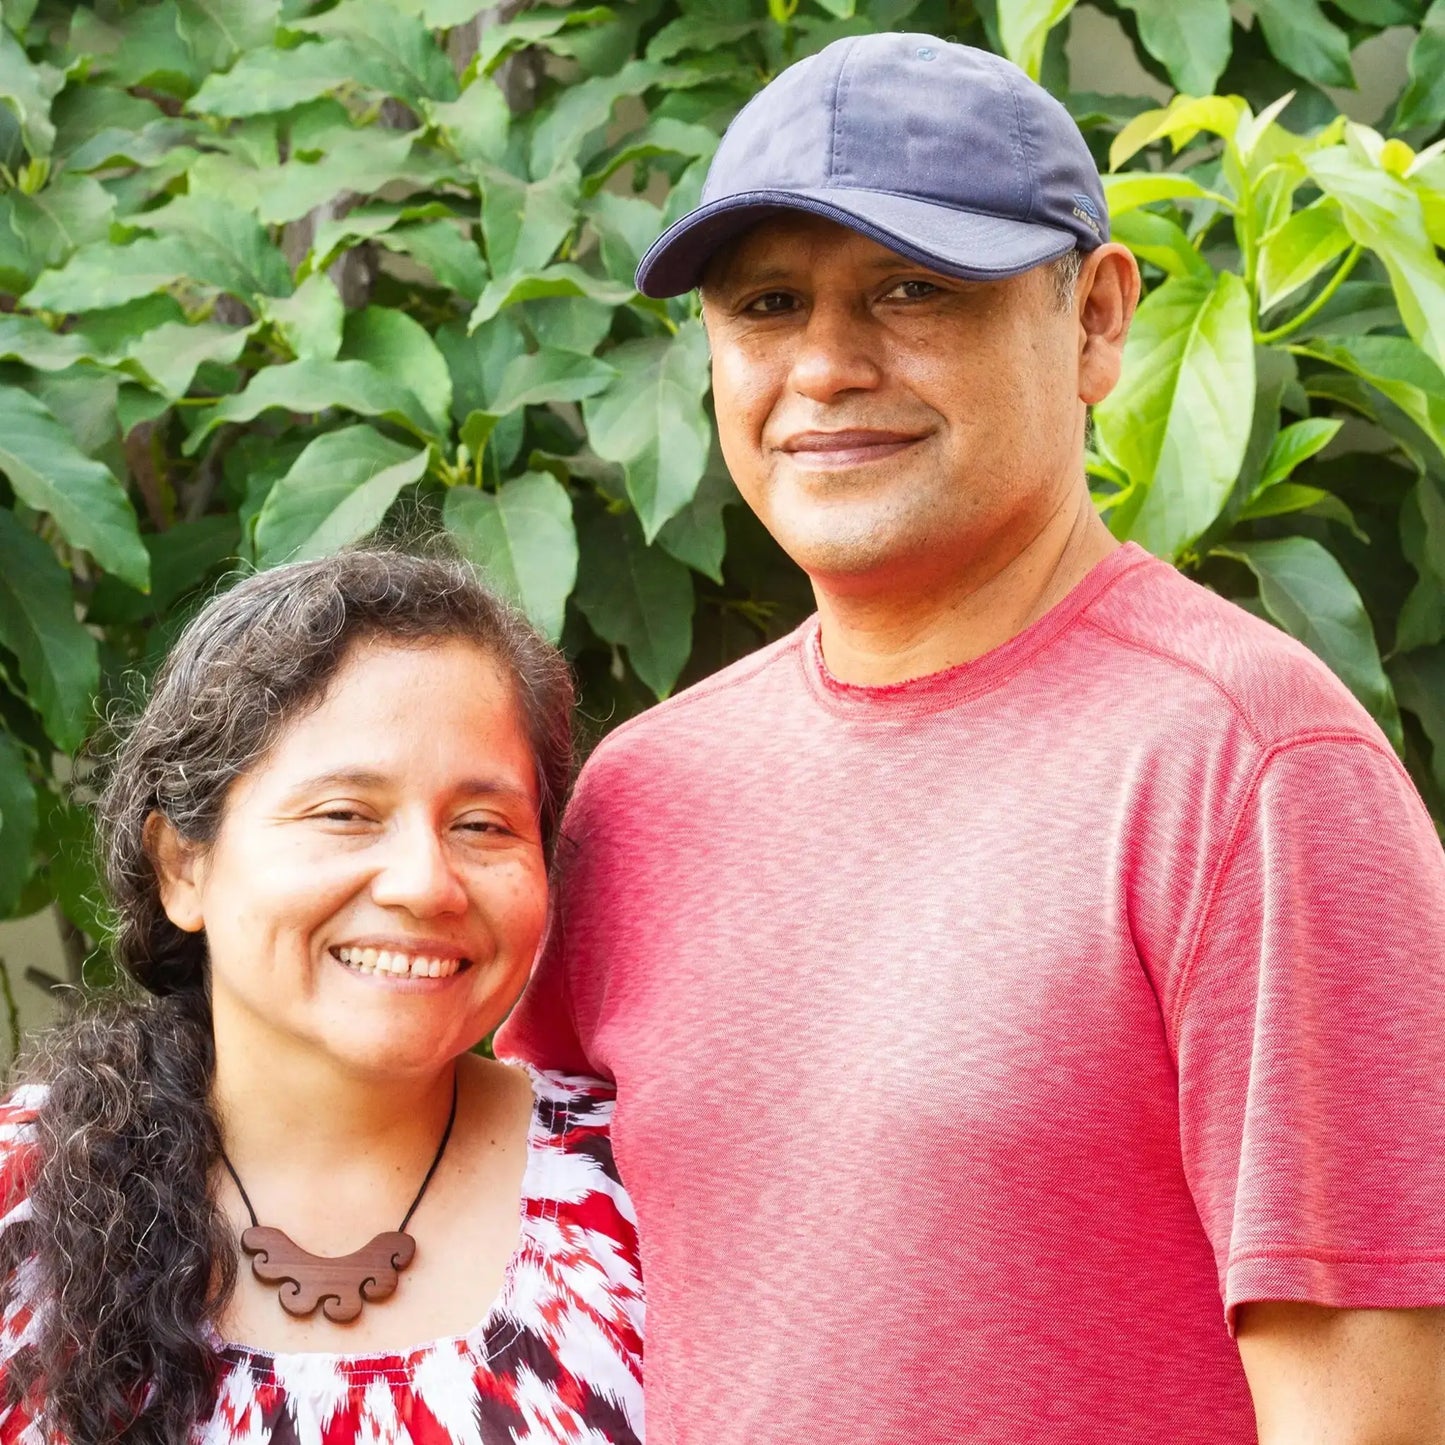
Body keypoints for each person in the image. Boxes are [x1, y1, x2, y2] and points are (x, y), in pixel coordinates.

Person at [497, 33, 1445, 1444]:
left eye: (913, 289)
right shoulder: (635, 798)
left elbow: (1367, 1420)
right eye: (766, 303)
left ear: (1097, 321)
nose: (825, 366)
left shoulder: (1248, 772)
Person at [0, 552, 643, 1445]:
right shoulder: (22, 1202)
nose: (426, 884)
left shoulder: (645, 1192)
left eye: (483, 824)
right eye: (345, 812)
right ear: (183, 864)